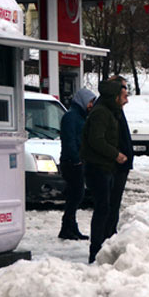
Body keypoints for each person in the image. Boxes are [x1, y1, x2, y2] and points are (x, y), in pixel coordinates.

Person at [80, 76, 133, 263]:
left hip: (107, 168)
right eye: (124, 95)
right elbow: (97, 140)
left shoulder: (112, 111)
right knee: (103, 209)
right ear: (115, 96)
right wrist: (116, 154)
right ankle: (96, 251)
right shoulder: (102, 113)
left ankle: (104, 246)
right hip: (99, 168)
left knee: (109, 208)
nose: (127, 99)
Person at [58, 87, 97, 240]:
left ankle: (70, 227)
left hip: (77, 161)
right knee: (76, 195)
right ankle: (67, 227)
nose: (91, 105)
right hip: (71, 163)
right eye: (90, 102)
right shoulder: (71, 117)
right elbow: (69, 141)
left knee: (75, 195)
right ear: (83, 101)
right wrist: (76, 160)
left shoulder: (80, 117)